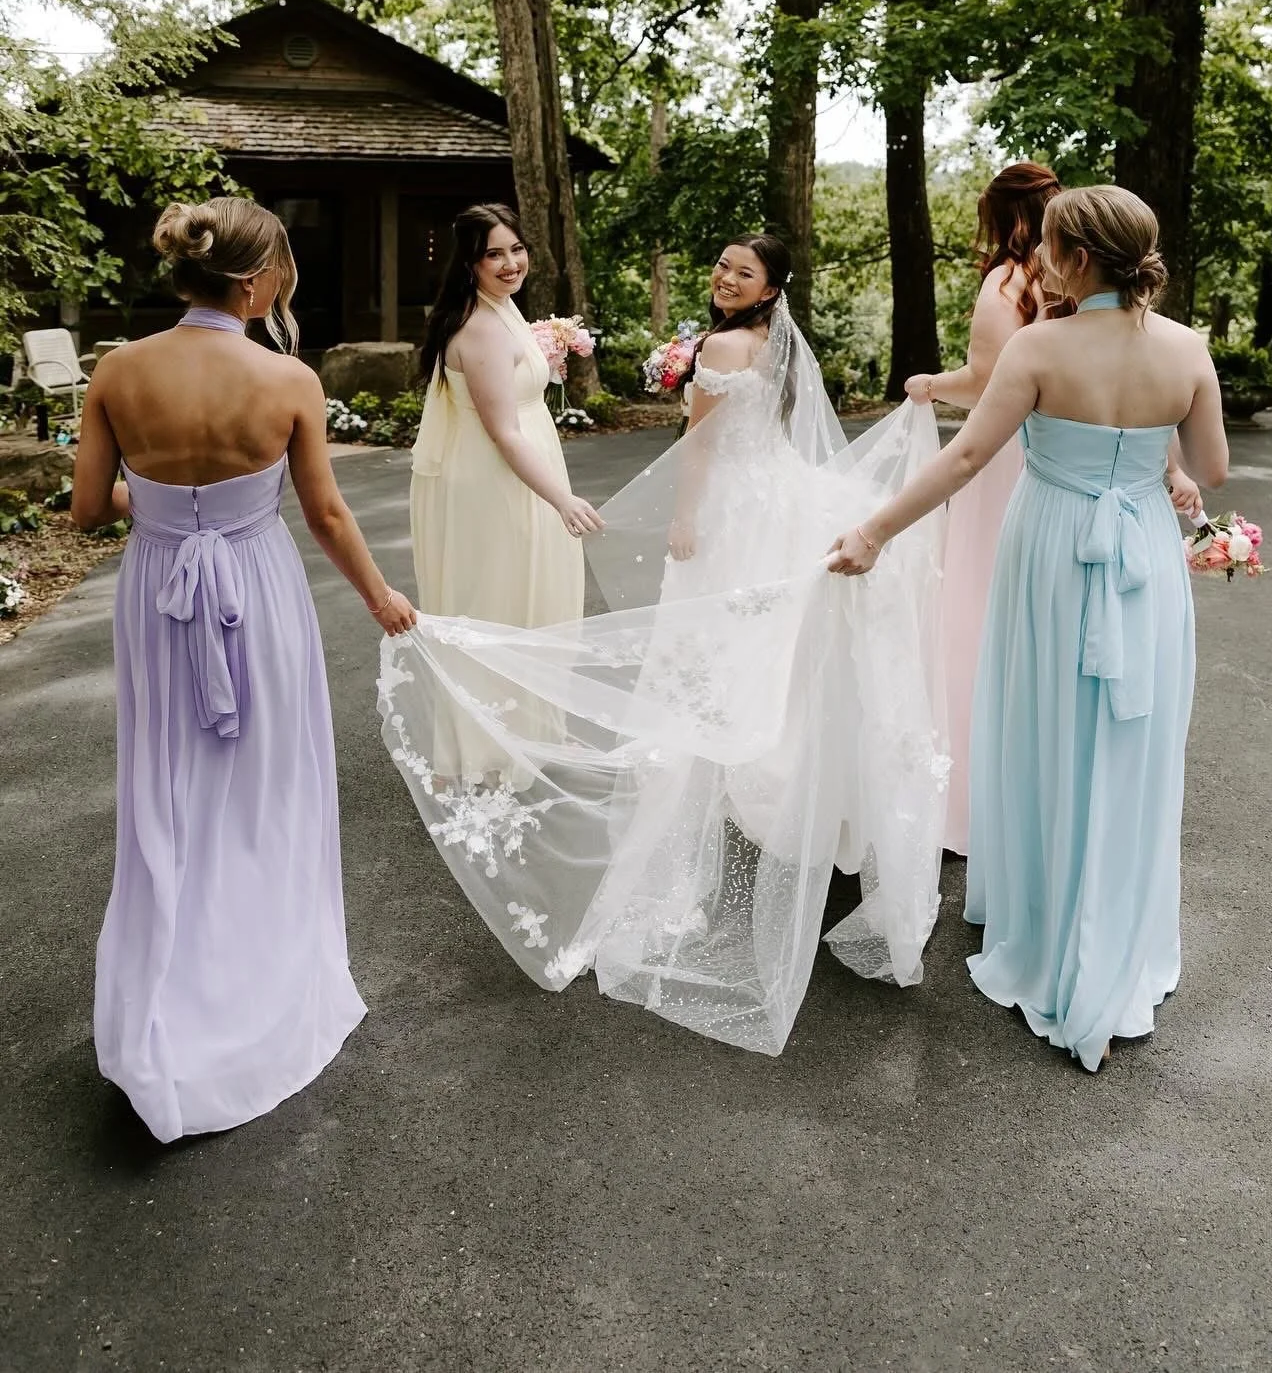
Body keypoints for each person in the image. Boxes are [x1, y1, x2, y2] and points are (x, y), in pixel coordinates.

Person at [377, 233, 949, 1056]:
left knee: (708, 655)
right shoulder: (774, 340)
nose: (723, 277)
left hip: (733, 514)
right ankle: (778, 784)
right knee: (769, 655)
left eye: (740, 272)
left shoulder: (722, 343)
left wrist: (685, 518)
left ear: (769, 287)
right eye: (720, 266)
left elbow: (702, 447)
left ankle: (722, 782)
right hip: (783, 501)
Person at [830, 186, 1228, 1071]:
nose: (1042, 259)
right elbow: (1211, 466)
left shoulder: (1042, 345)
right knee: (1131, 743)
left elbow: (968, 455)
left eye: (1050, 247)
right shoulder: (1187, 347)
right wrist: (1151, 466)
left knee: (1050, 731)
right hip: (1146, 562)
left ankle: (1047, 931)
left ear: (1075, 259)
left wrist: (872, 530)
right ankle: (1115, 936)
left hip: (1053, 552)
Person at [72, 198, 416, 1143]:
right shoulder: (288, 378)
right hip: (254, 594)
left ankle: (163, 994)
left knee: (166, 783)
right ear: (258, 281)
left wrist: (165, 502)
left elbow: (86, 509)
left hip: (158, 596)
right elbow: (330, 517)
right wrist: (384, 600)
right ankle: (252, 992)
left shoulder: (117, 369)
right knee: (262, 786)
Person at [904, 161, 1061, 855]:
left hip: (1002, 459)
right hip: (1062, 451)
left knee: (975, 607)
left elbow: (984, 384)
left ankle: (969, 794)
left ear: (1001, 216)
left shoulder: (1004, 285)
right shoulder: (1071, 277)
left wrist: (928, 383)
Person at [409, 203, 598, 626]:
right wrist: (562, 500)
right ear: (470, 262)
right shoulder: (482, 327)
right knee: (507, 603)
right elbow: (504, 432)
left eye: (517, 249)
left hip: (525, 466)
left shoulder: (501, 306)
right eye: (494, 254)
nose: (511, 264)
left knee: (530, 595)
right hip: (498, 475)